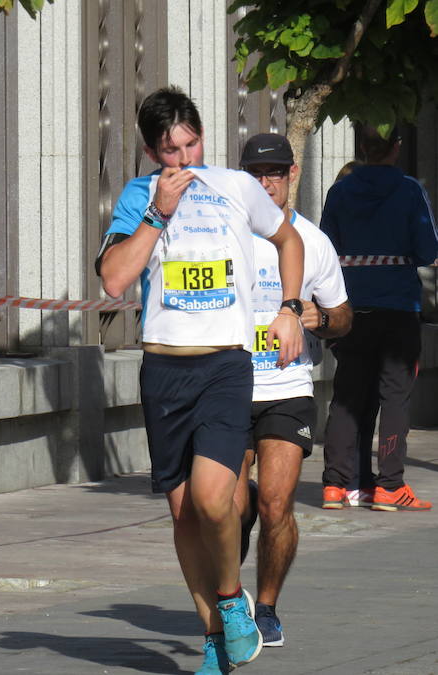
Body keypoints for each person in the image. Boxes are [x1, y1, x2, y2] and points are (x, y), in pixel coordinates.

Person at [97, 87, 304, 675]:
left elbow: (286, 237)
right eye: (170, 152)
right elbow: (114, 280)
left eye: (191, 145)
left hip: (224, 365)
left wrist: (289, 306)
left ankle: (233, 599)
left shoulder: (237, 188)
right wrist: (157, 214)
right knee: (185, 510)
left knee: (217, 497)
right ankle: (214, 636)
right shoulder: (139, 197)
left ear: (203, 138)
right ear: (149, 150)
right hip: (164, 367)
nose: (183, 161)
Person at [232, 133, 352, 648]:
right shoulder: (226, 232)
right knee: (231, 509)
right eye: (257, 176)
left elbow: (344, 318)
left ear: (291, 175)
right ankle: (228, 600)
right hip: (228, 387)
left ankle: (266, 607)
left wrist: (317, 317)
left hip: (287, 386)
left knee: (276, 507)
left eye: (275, 174)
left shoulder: (313, 241)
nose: (267, 184)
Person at [320, 125, 438, 512]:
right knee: (396, 396)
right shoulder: (408, 190)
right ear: (397, 147)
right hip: (398, 308)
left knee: (347, 395)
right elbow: (426, 250)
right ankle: (389, 486)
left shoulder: (339, 191)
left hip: (351, 308)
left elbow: (326, 249)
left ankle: (335, 486)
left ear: (363, 148)